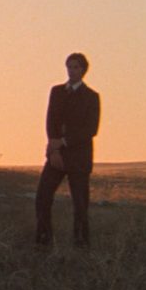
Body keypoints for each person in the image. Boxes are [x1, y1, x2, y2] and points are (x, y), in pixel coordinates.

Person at [35, 52, 101, 248]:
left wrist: (64, 141)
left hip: (79, 157)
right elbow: (50, 121)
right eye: (69, 67)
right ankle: (43, 240)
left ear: (83, 70)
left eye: (75, 67)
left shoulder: (91, 97)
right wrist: (54, 150)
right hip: (57, 155)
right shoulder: (57, 92)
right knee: (42, 197)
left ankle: (81, 244)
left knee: (80, 204)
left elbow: (91, 129)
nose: (71, 71)